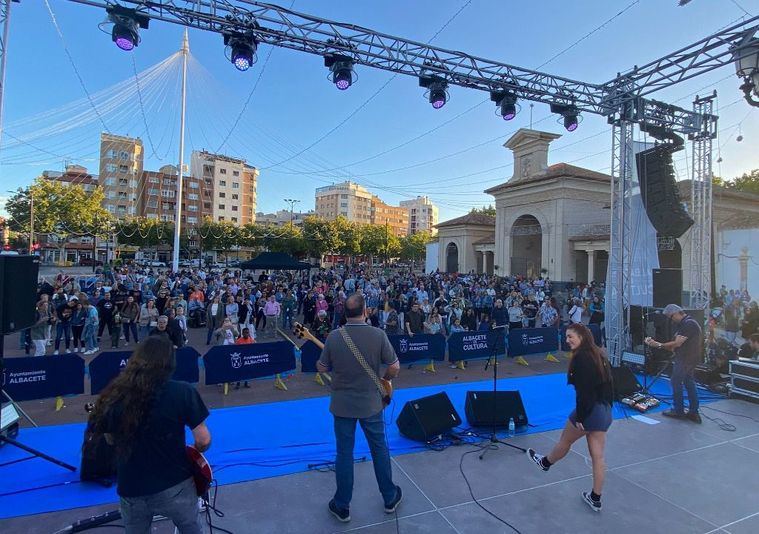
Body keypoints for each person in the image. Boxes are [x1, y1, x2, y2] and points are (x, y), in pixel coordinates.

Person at [89, 336, 211, 534]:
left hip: (131, 486)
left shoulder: (114, 395)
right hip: (175, 484)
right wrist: (195, 453)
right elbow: (203, 440)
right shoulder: (183, 392)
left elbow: (110, 440)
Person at [317, 293, 402, 523]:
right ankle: (389, 496)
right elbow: (394, 367)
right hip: (371, 403)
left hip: (342, 405)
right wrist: (383, 379)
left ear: (344, 313)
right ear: (365, 311)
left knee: (344, 453)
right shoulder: (378, 334)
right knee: (379, 449)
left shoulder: (334, 337)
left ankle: (342, 505)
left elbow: (322, 368)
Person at [527, 323, 613, 512]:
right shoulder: (599, 353)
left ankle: (545, 463)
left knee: (565, 441)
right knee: (598, 457)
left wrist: (581, 416)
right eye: (566, 337)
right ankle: (595, 498)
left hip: (589, 411)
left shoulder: (582, 358)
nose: (567, 341)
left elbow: (584, 391)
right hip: (604, 411)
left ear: (581, 337)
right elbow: (609, 383)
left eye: (570, 337)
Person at [644, 304, 703, 423]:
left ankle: (679, 410)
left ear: (676, 313)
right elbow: (674, 346)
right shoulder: (685, 324)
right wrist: (658, 344)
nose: (671, 320)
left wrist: (658, 345)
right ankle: (693, 411)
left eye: (670, 317)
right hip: (687, 358)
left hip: (686, 358)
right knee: (688, 382)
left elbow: (677, 344)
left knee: (676, 382)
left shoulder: (689, 324)